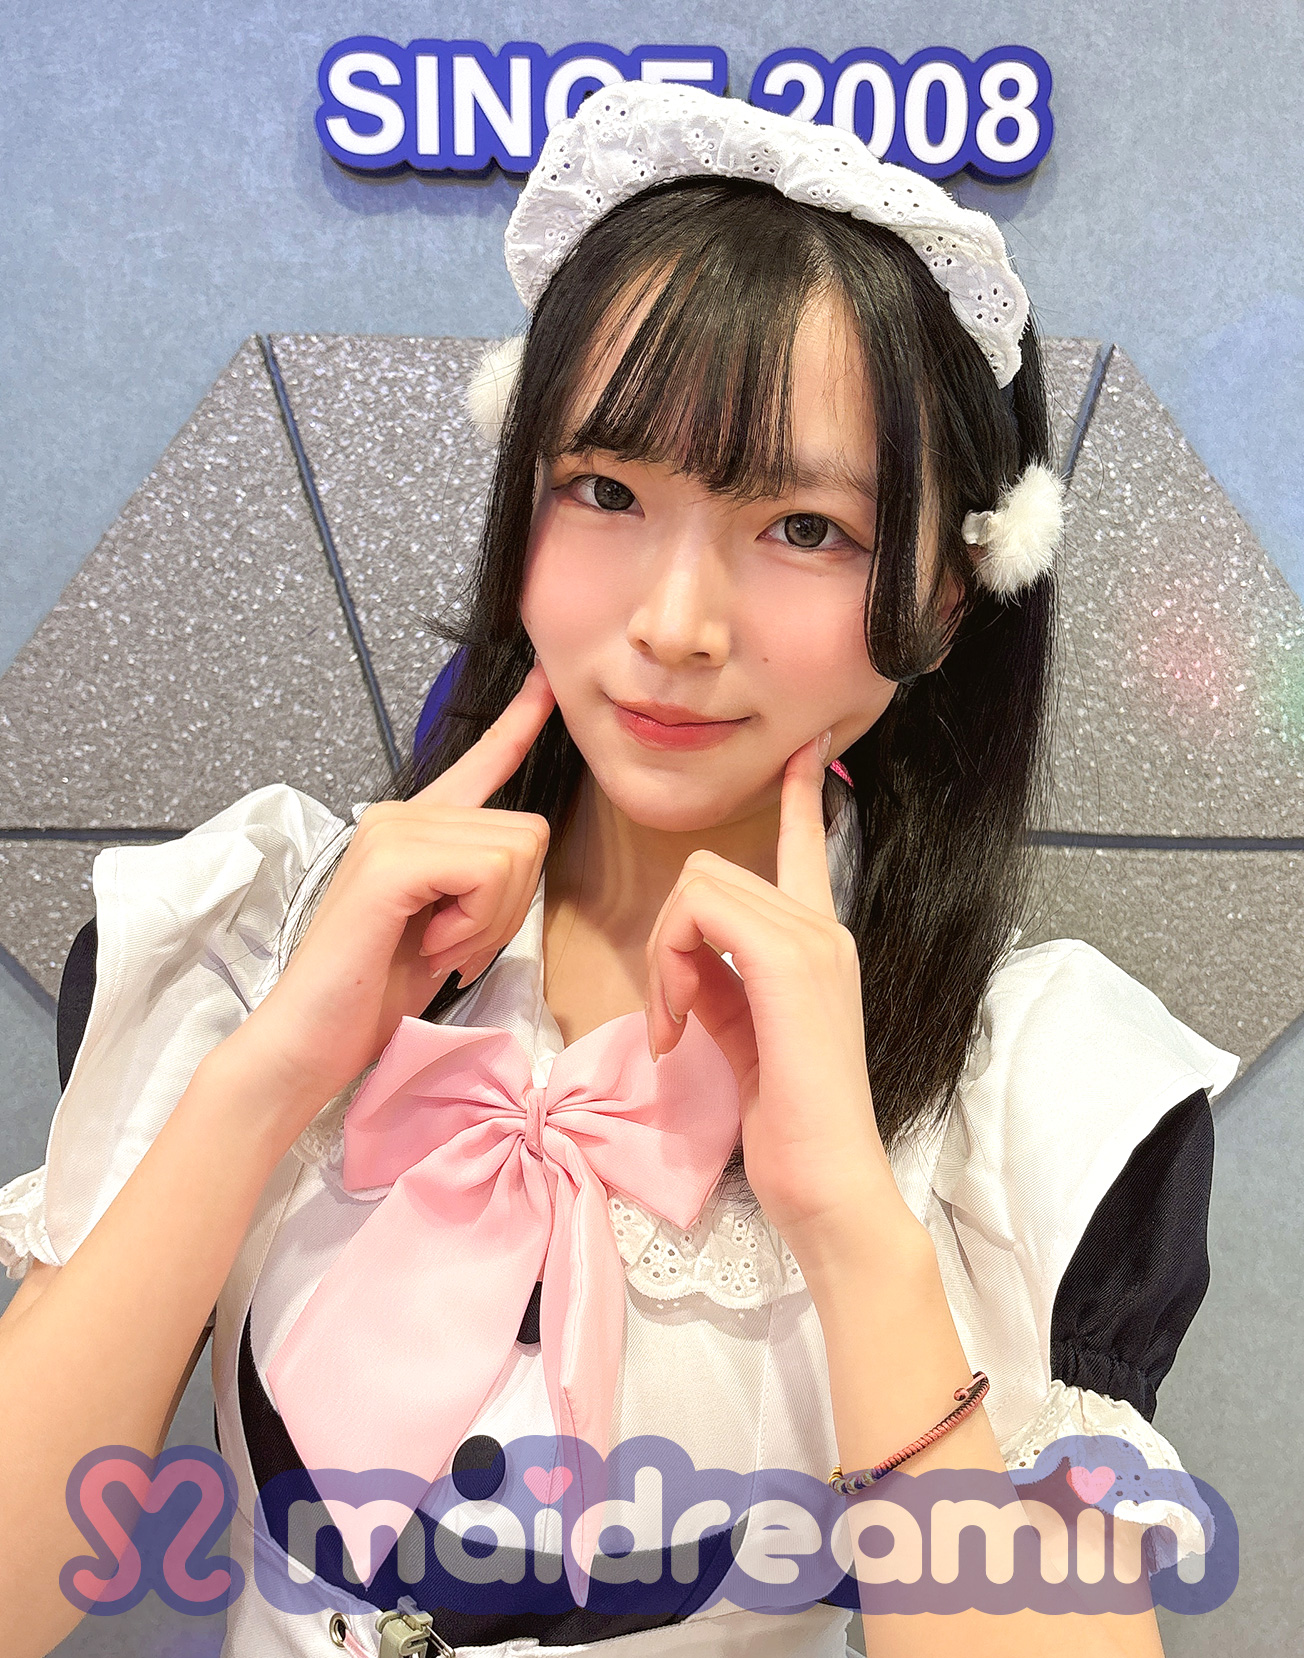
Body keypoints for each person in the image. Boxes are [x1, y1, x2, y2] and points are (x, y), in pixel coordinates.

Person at [0, 81, 1236, 1658]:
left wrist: (850, 1216)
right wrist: (269, 1076)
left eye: (805, 526)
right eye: (606, 491)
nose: (672, 621)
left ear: (948, 590)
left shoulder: (1026, 1098)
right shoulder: (251, 930)